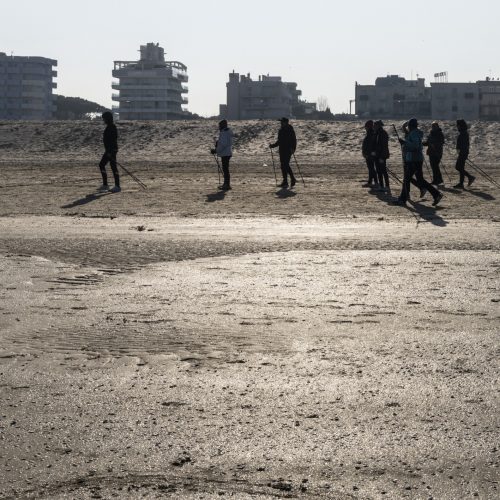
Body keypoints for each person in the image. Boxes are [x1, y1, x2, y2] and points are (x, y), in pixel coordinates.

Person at [395, 118, 443, 206]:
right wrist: (404, 131)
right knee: (419, 179)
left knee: (407, 179)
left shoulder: (414, 134)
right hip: (415, 159)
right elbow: (409, 138)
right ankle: (437, 194)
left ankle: (402, 199)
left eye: (409, 126)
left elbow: (415, 146)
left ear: (411, 126)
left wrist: (404, 143)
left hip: (414, 159)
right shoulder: (414, 133)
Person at [269, 117, 297, 188]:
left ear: (286, 122)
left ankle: (292, 179)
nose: (281, 123)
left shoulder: (290, 130)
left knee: (286, 164)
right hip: (281, 150)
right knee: (283, 165)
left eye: (282, 122)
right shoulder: (281, 130)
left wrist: (293, 148)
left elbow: (294, 140)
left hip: (288, 150)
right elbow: (279, 141)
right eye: (281, 122)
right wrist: (273, 145)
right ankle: (285, 181)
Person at [98, 111, 120, 192]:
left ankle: (117, 186)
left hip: (111, 150)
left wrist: (111, 151)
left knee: (108, 166)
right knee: (104, 165)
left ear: (108, 118)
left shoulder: (112, 127)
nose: (103, 120)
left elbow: (113, 140)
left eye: (104, 118)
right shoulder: (109, 126)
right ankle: (105, 185)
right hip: (109, 150)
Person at [211, 119, 234, 190]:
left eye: (220, 125)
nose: (219, 127)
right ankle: (226, 184)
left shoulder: (224, 133)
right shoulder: (227, 132)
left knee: (225, 169)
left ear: (223, 125)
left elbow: (223, 145)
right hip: (227, 152)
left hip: (225, 153)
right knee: (225, 169)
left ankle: (227, 184)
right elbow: (223, 143)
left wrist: (216, 150)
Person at [454, 119, 475, 189]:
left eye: (458, 125)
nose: (457, 126)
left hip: (463, 153)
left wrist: (461, 151)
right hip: (463, 153)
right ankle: (461, 183)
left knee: (458, 167)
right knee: (461, 168)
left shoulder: (463, 133)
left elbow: (464, 145)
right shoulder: (464, 132)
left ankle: (470, 177)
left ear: (460, 126)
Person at [423, 122, 445, 186]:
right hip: (431, 152)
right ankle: (437, 180)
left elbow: (441, 142)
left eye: (435, 126)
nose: (433, 128)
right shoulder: (431, 134)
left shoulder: (440, 134)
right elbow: (427, 142)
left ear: (437, 127)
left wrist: (434, 144)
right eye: (432, 126)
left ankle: (437, 180)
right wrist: (422, 143)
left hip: (437, 153)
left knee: (435, 166)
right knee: (434, 167)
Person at [373, 120, 390, 192]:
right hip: (377, 155)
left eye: (375, 125)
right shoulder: (377, 133)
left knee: (383, 171)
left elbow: (384, 146)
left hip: (381, 155)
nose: (374, 127)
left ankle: (387, 186)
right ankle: (381, 186)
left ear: (378, 126)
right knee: (378, 171)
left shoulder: (383, 133)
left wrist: (382, 157)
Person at [362, 120, 377, 187]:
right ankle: (371, 181)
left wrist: (368, 153)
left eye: (366, 126)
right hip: (368, 153)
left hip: (369, 154)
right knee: (371, 168)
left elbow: (370, 145)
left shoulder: (371, 134)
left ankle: (375, 182)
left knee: (371, 168)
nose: (365, 128)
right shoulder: (370, 133)